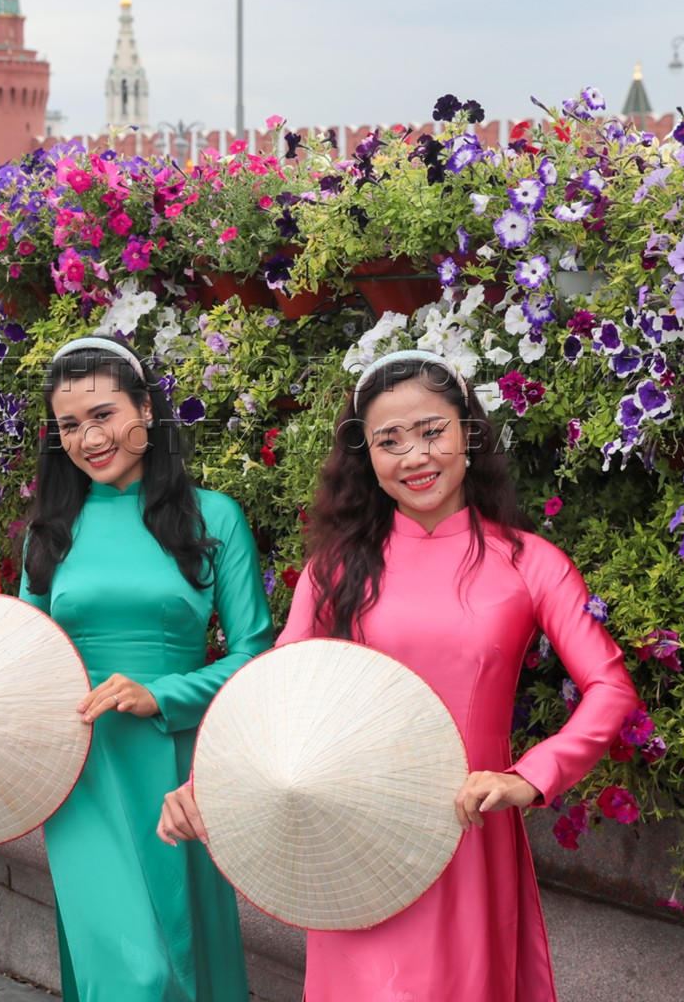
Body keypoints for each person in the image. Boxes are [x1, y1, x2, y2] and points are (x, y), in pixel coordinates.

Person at [158, 350, 639, 1002]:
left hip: (468, 831)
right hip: (350, 838)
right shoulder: (335, 569)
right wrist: (205, 786)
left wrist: (530, 776)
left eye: (432, 431)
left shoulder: (532, 564)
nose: (415, 456)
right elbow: (276, 697)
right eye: (389, 441)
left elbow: (610, 689)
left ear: (469, 433)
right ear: (366, 456)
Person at [17, 335, 274, 1001]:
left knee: (186, 959)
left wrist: (162, 694)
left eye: (103, 414)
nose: (89, 438)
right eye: (69, 425)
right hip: (80, 769)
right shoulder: (50, 532)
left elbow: (254, 656)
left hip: (179, 770)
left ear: (146, 410)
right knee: (133, 973)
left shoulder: (214, 517)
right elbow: (23, 657)